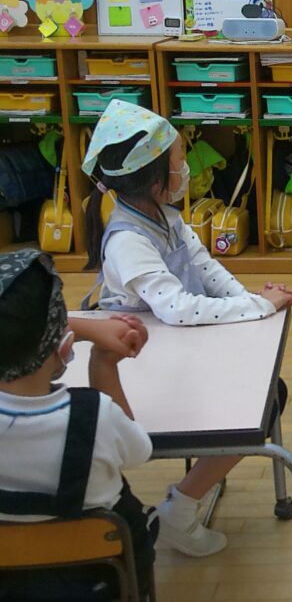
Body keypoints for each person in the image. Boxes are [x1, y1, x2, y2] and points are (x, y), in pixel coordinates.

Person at [80, 99, 292, 557]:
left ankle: (191, 492)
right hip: (140, 363)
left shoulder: (166, 216)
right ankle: (179, 511)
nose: (187, 169)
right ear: (155, 178)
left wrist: (253, 300)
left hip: (175, 348)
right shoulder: (127, 241)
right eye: (180, 160)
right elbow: (177, 309)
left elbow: (206, 268)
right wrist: (259, 305)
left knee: (266, 394)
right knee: (250, 407)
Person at [0, 249, 156, 600]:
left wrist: (85, 329)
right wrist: (103, 364)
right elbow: (139, 452)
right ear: (65, 346)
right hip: (95, 579)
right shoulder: (96, 415)